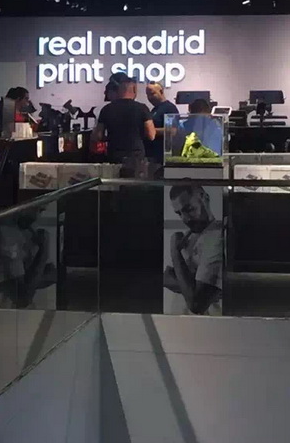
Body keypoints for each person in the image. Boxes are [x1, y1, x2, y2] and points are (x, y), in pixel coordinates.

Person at [165, 184, 223, 315]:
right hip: (180, 321)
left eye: (189, 209)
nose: (185, 219)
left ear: (204, 198)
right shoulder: (189, 235)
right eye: (179, 213)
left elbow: (196, 303)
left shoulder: (217, 237)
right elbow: (166, 277)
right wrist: (190, 287)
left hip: (204, 324)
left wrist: (175, 252)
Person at [90, 73, 156, 175]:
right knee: (136, 182)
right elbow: (151, 135)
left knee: (115, 182)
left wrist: (109, 137)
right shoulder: (142, 108)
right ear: (132, 90)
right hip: (136, 157)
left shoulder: (106, 109)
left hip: (114, 155)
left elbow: (97, 136)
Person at [145, 82, 178, 162]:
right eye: (147, 95)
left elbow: (173, 131)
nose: (149, 97)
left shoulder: (169, 108)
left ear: (161, 91)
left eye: (152, 94)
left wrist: (152, 130)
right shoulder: (155, 110)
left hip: (161, 157)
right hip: (153, 155)